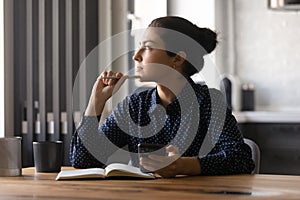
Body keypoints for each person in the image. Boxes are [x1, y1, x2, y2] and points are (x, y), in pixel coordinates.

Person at [70, 16, 255, 178]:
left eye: (148, 47)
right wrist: (96, 102)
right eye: (139, 47)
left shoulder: (209, 103)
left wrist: (184, 166)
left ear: (177, 59)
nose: (136, 56)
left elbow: (241, 158)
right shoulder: (135, 106)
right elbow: (82, 161)